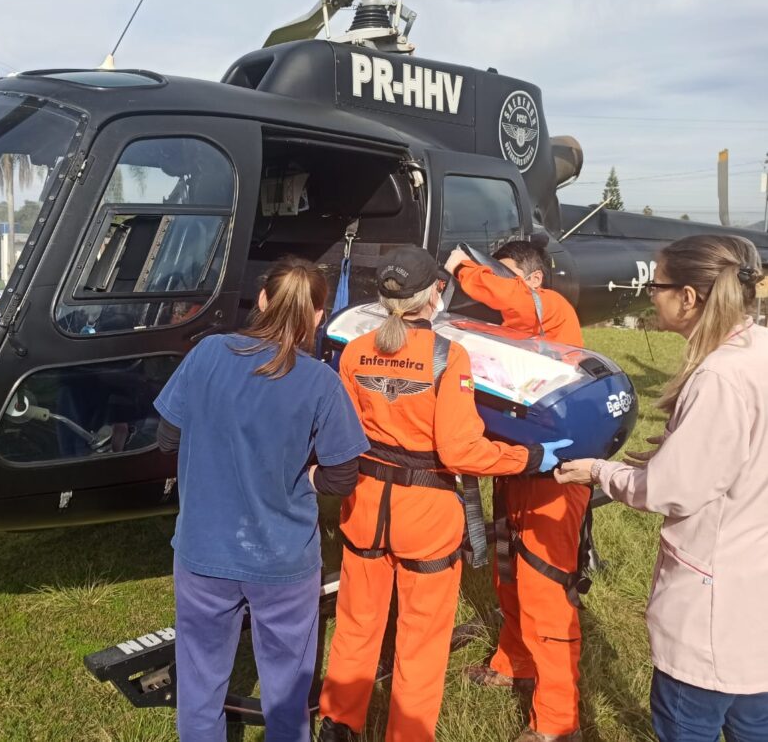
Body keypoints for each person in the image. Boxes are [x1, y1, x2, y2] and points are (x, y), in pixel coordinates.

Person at [317, 246, 571, 742]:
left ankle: (338, 726)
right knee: (421, 637)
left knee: (356, 624)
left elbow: (341, 434)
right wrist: (530, 458)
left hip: (365, 509)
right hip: (426, 519)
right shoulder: (447, 356)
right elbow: (461, 452)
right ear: (436, 292)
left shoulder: (353, 351)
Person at [556, 235, 768, 742]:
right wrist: (681, 446)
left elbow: (670, 491)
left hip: (711, 614)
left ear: (690, 298)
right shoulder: (757, 349)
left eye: (658, 284)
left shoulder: (718, 377)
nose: (652, 294)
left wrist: (599, 471)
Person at [153, 257, 370, 742]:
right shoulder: (321, 382)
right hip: (283, 560)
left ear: (263, 299)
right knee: (288, 691)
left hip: (203, 550)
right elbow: (342, 475)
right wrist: (306, 477)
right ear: (319, 315)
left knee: (199, 679)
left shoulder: (207, 353)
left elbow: (167, 439)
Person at [444, 241, 587, 742]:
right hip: (516, 469)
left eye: (502, 276)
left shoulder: (552, 312)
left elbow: (518, 302)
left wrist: (463, 267)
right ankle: (514, 661)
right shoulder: (512, 330)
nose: (493, 286)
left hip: (556, 480)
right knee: (509, 575)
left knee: (546, 588)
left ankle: (556, 721)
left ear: (532, 281)